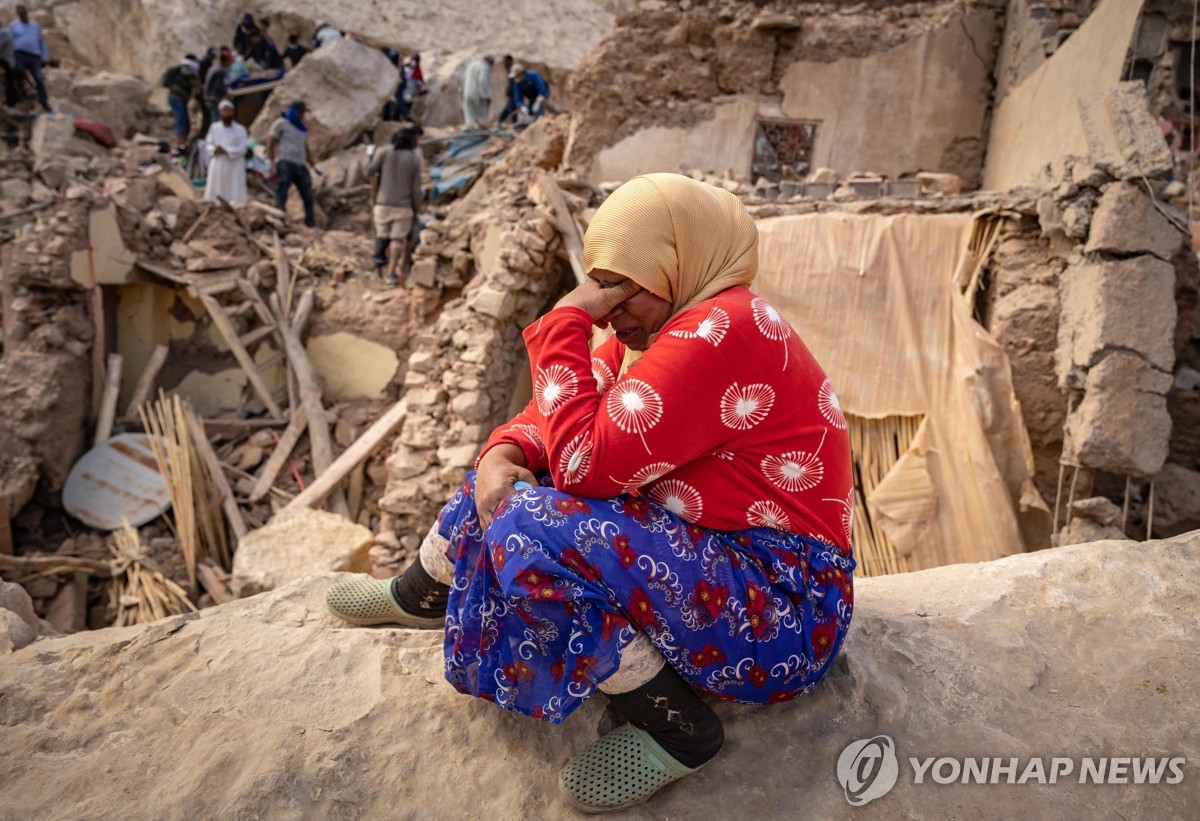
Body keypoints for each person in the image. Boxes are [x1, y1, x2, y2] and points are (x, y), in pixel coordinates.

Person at [324, 173, 856, 812]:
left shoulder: (723, 329)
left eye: (623, 288)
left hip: (779, 605)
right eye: (602, 285)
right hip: (718, 566)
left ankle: (678, 728)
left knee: (530, 522)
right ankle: (425, 590)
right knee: (514, 484)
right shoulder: (662, 329)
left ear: (681, 263)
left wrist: (564, 321)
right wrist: (502, 453)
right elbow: (554, 420)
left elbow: (582, 464)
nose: (610, 307)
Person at [367, 126, 423, 284]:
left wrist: (370, 156)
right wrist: (416, 210)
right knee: (397, 239)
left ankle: (377, 268)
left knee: (381, 236)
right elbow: (415, 190)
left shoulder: (384, 152)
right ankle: (391, 273)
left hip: (383, 204)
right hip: (403, 207)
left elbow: (370, 171)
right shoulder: (413, 159)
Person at [267, 100, 315, 227]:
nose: (303, 116)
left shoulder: (302, 129)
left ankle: (310, 223)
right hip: (285, 162)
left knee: (308, 194)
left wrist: (314, 165)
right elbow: (271, 142)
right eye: (301, 113)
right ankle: (279, 217)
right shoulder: (280, 124)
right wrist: (270, 160)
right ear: (295, 111)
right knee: (282, 191)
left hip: (300, 164)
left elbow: (305, 148)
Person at [203, 100, 248, 205]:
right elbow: (207, 144)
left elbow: (242, 149)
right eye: (224, 111)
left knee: (234, 188)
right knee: (217, 186)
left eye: (228, 111)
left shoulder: (240, 130)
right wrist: (214, 150)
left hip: (234, 163)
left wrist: (227, 151)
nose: (226, 114)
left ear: (232, 112)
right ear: (220, 112)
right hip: (218, 162)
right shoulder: (214, 128)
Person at [8, 5, 51, 112]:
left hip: (34, 56)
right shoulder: (13, 26)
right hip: (19, 54)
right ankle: (25, 100)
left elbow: (41, 41)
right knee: (20, 76)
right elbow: (9, 42)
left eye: (24, 12)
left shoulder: (35, 26)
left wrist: (45, 56)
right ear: (18, 14)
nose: (23, 15)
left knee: (39, 78)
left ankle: (44, 103)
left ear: (27, 13)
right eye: (20, 13)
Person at [162, 56, 200, 151]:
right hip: (177, 98)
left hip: (176, 98)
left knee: (184, 121)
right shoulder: (187, 70)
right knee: (181, 121)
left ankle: (182, 145)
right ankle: (181, 146)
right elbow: (197, 85)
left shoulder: (184, 69)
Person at [461, 55, 493, 128]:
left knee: (470, 115)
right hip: (478, 94)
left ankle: (470, 131)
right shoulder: (484, 67)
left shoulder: (471, 65)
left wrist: (462, 91)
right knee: (481, 116)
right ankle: (479, 133)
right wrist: (486, 96)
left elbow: (463, 79)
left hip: (467, 92)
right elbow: (482, 81)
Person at [204, 50, 231, 123]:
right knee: (215, 120)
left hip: (208, 97)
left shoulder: (214, 67)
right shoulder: (220, 71)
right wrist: (226, 91)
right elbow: (218, 87)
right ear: (225, 61)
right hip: (213, 98)